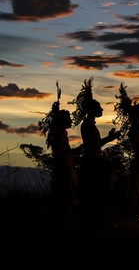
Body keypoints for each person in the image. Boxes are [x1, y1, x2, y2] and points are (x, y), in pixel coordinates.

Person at [73, 77, 120, 227]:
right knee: (96, 195)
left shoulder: (89, 124)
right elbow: (94, 145)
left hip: (95, 162)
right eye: (99, 108)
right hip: (93, 163)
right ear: (92, 110)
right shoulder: (87, 125)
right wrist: (110, 137)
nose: (101, 110)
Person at [42, 90, 79, 228]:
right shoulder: (58, 136)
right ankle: (61, 226)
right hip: (63, 172)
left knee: (67, 200)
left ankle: (62, 225)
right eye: (68, 118)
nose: (71, 120)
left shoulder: (61, 135)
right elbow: (62, 153)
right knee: (66, 201)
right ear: (61, 121)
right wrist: (77, 150)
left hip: (66, 171)